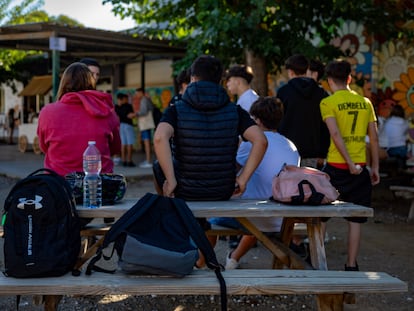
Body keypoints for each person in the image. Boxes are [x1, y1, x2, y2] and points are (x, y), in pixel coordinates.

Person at [153, 55, 267, 201]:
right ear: (220, 81)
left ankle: (174, 213)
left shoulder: (176, 110)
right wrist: (243, 179)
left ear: (193, 79)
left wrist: (171, 180)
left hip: (184, 190)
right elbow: (261, 141)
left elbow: (159, 137)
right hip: (224, 190)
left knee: (158, 166)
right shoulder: (235, 111)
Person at [210, 96, 300, 269]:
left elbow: (230, 170)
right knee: (257, 212)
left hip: (253, 215)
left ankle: (202, 261)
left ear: (257, 121)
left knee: (209, 221)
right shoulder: (291, 145)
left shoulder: (251, 143)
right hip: (281, 217)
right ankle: (234, 258)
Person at [320, 59, 380, 271]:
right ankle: (351, 264)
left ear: (328, 81)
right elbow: (373, 139)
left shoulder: (328, 102)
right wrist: (375, 168)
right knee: (356, 220)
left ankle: (320, 262)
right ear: (349, 78)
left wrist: (348, 163)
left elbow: (335, 135)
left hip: (336, 166)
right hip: (361, 168)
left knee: (321, 215)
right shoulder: (366, 102)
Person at [37, 62, 121, 177]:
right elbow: (115, 148)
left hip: (58, 184)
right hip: (99, 185)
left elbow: (43, 147)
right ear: (91, 83)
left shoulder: (47, 112)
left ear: (63, 84)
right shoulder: (107, 112)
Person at [277, 54, 330, 169]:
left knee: (288, 184)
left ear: (290, 72)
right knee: (309, 185)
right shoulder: (321, 94)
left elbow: (276, 120)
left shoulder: (283, 92)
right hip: (313, 152)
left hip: (287, 149)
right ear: (306, 70)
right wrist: (323, 153)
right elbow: (326, 125)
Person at [135, 88, 155, 168]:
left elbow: (143, 112)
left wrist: (135, 114)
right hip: (147, 124)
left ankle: (148, 160)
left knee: (147, 143)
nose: (136, 95)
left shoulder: (143, 100)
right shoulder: (147, 99)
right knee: (147, 142)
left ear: (141, 92)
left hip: (145, 124)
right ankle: (148, 160)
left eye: (137, 93)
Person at [115, 92, 136, 167]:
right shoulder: (128, 106)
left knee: (123, 144)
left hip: (121, 126)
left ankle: (123, 160)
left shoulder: (116, 107)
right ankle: (129, 161)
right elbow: (131, 115)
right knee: (129, 143)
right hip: (128, 125)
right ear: (123, 99)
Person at [384, 104, 409, 169]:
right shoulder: (404, 122)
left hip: (390, 148)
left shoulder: (387, 121)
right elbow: (406, 135)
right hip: (401, 148)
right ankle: (402, 170)